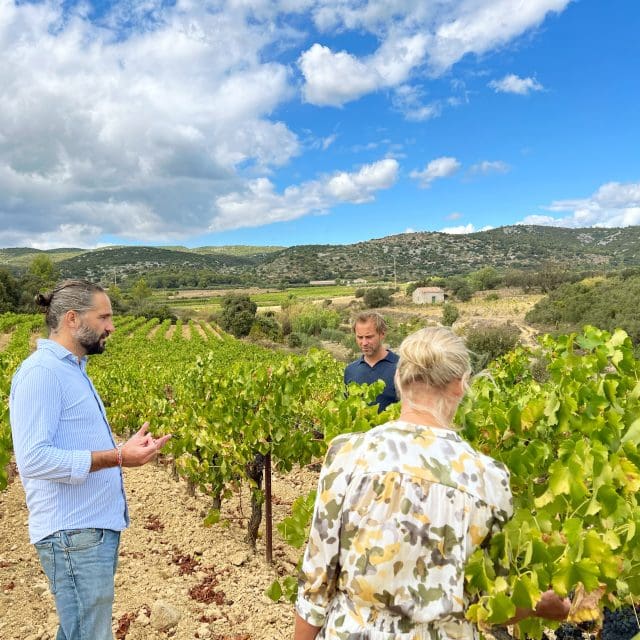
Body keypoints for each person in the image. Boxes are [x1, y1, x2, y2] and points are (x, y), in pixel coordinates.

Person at [295, 326, 569, 640]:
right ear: (461, 385)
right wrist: (537, 605)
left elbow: (315, 587)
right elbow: (489, 605)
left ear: (399, 380)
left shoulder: (348, 455)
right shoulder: (490, 479)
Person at [9, 279, 172, 640]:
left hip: (86, 534)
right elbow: (33, 459)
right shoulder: (42, 373)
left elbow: (70, 442)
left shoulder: (71, 370)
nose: (111, 327)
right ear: (72, 318)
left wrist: (124, 448)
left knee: (79, 632)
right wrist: (119, 456)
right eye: (104, 317)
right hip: (72, 535)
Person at [344, 311, 399, 412]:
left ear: (382, 334)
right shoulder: (350, 370)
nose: (364, 343)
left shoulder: (402, 367)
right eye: (360, 337)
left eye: (369, 337)